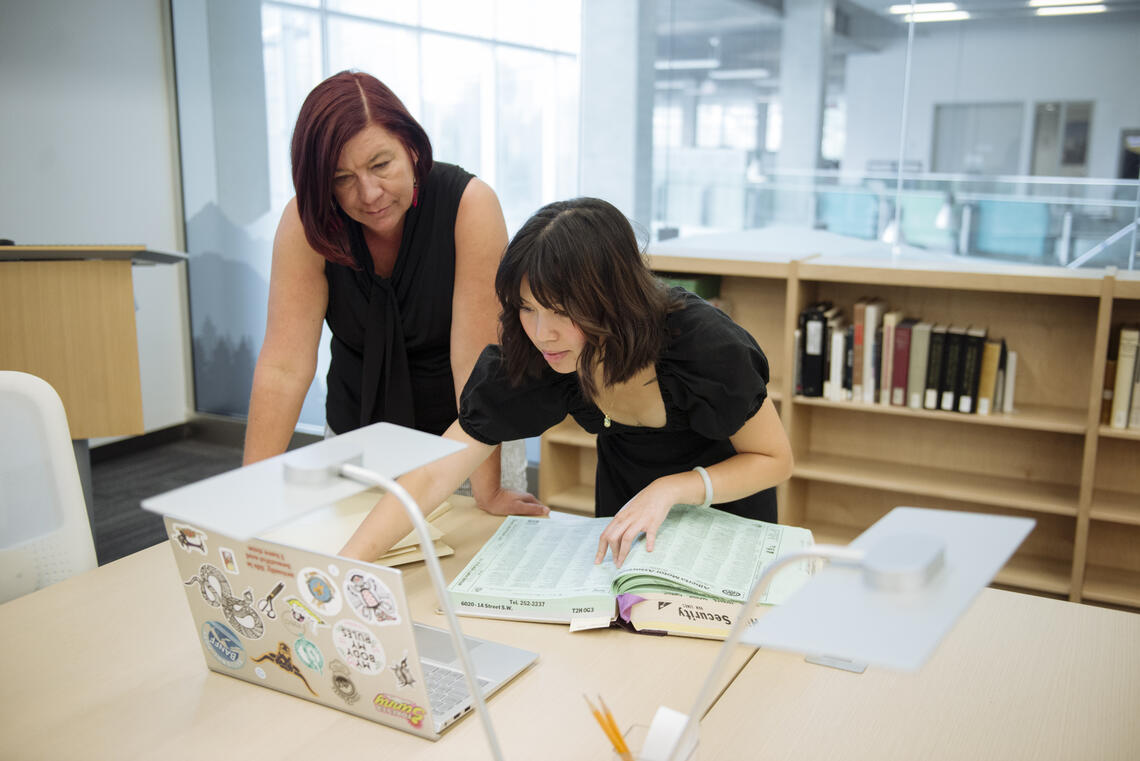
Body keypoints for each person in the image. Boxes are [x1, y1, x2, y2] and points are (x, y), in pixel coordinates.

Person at [339, 197, 794, 567]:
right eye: (527, 307)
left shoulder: (706, 346)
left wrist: (673, 488)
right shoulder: (543, 354)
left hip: (727, 521)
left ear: (612, 298)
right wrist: (344, 566)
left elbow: (774, 459)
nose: (542, 332)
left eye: (560, 310)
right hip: (625, 519)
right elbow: (434, 472)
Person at [243, 70, 543, 519]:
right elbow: (284, 368)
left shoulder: (469, 206)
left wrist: (489, 492)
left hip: (462, 445)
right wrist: (249, 497)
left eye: (381, 165)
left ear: (412, 147)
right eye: (342, 178)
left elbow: (476, 363)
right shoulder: (308, 223)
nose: (369, 194)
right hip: (354, 443)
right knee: (352, 573)